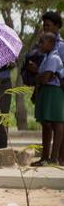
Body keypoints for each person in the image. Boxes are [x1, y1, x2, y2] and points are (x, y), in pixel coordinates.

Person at [32, 32, 63, 165]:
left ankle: (54, 158)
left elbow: (44, 79)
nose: (39, 45)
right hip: (47, 92)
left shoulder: (54, 58)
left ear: (51, 43)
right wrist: (40, 76)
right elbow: (43, 77)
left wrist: (37, 74)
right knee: (46, 123)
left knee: (57, 123)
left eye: (42, 42)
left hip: (54, 92)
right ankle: (45, 158)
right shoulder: (46, 57)